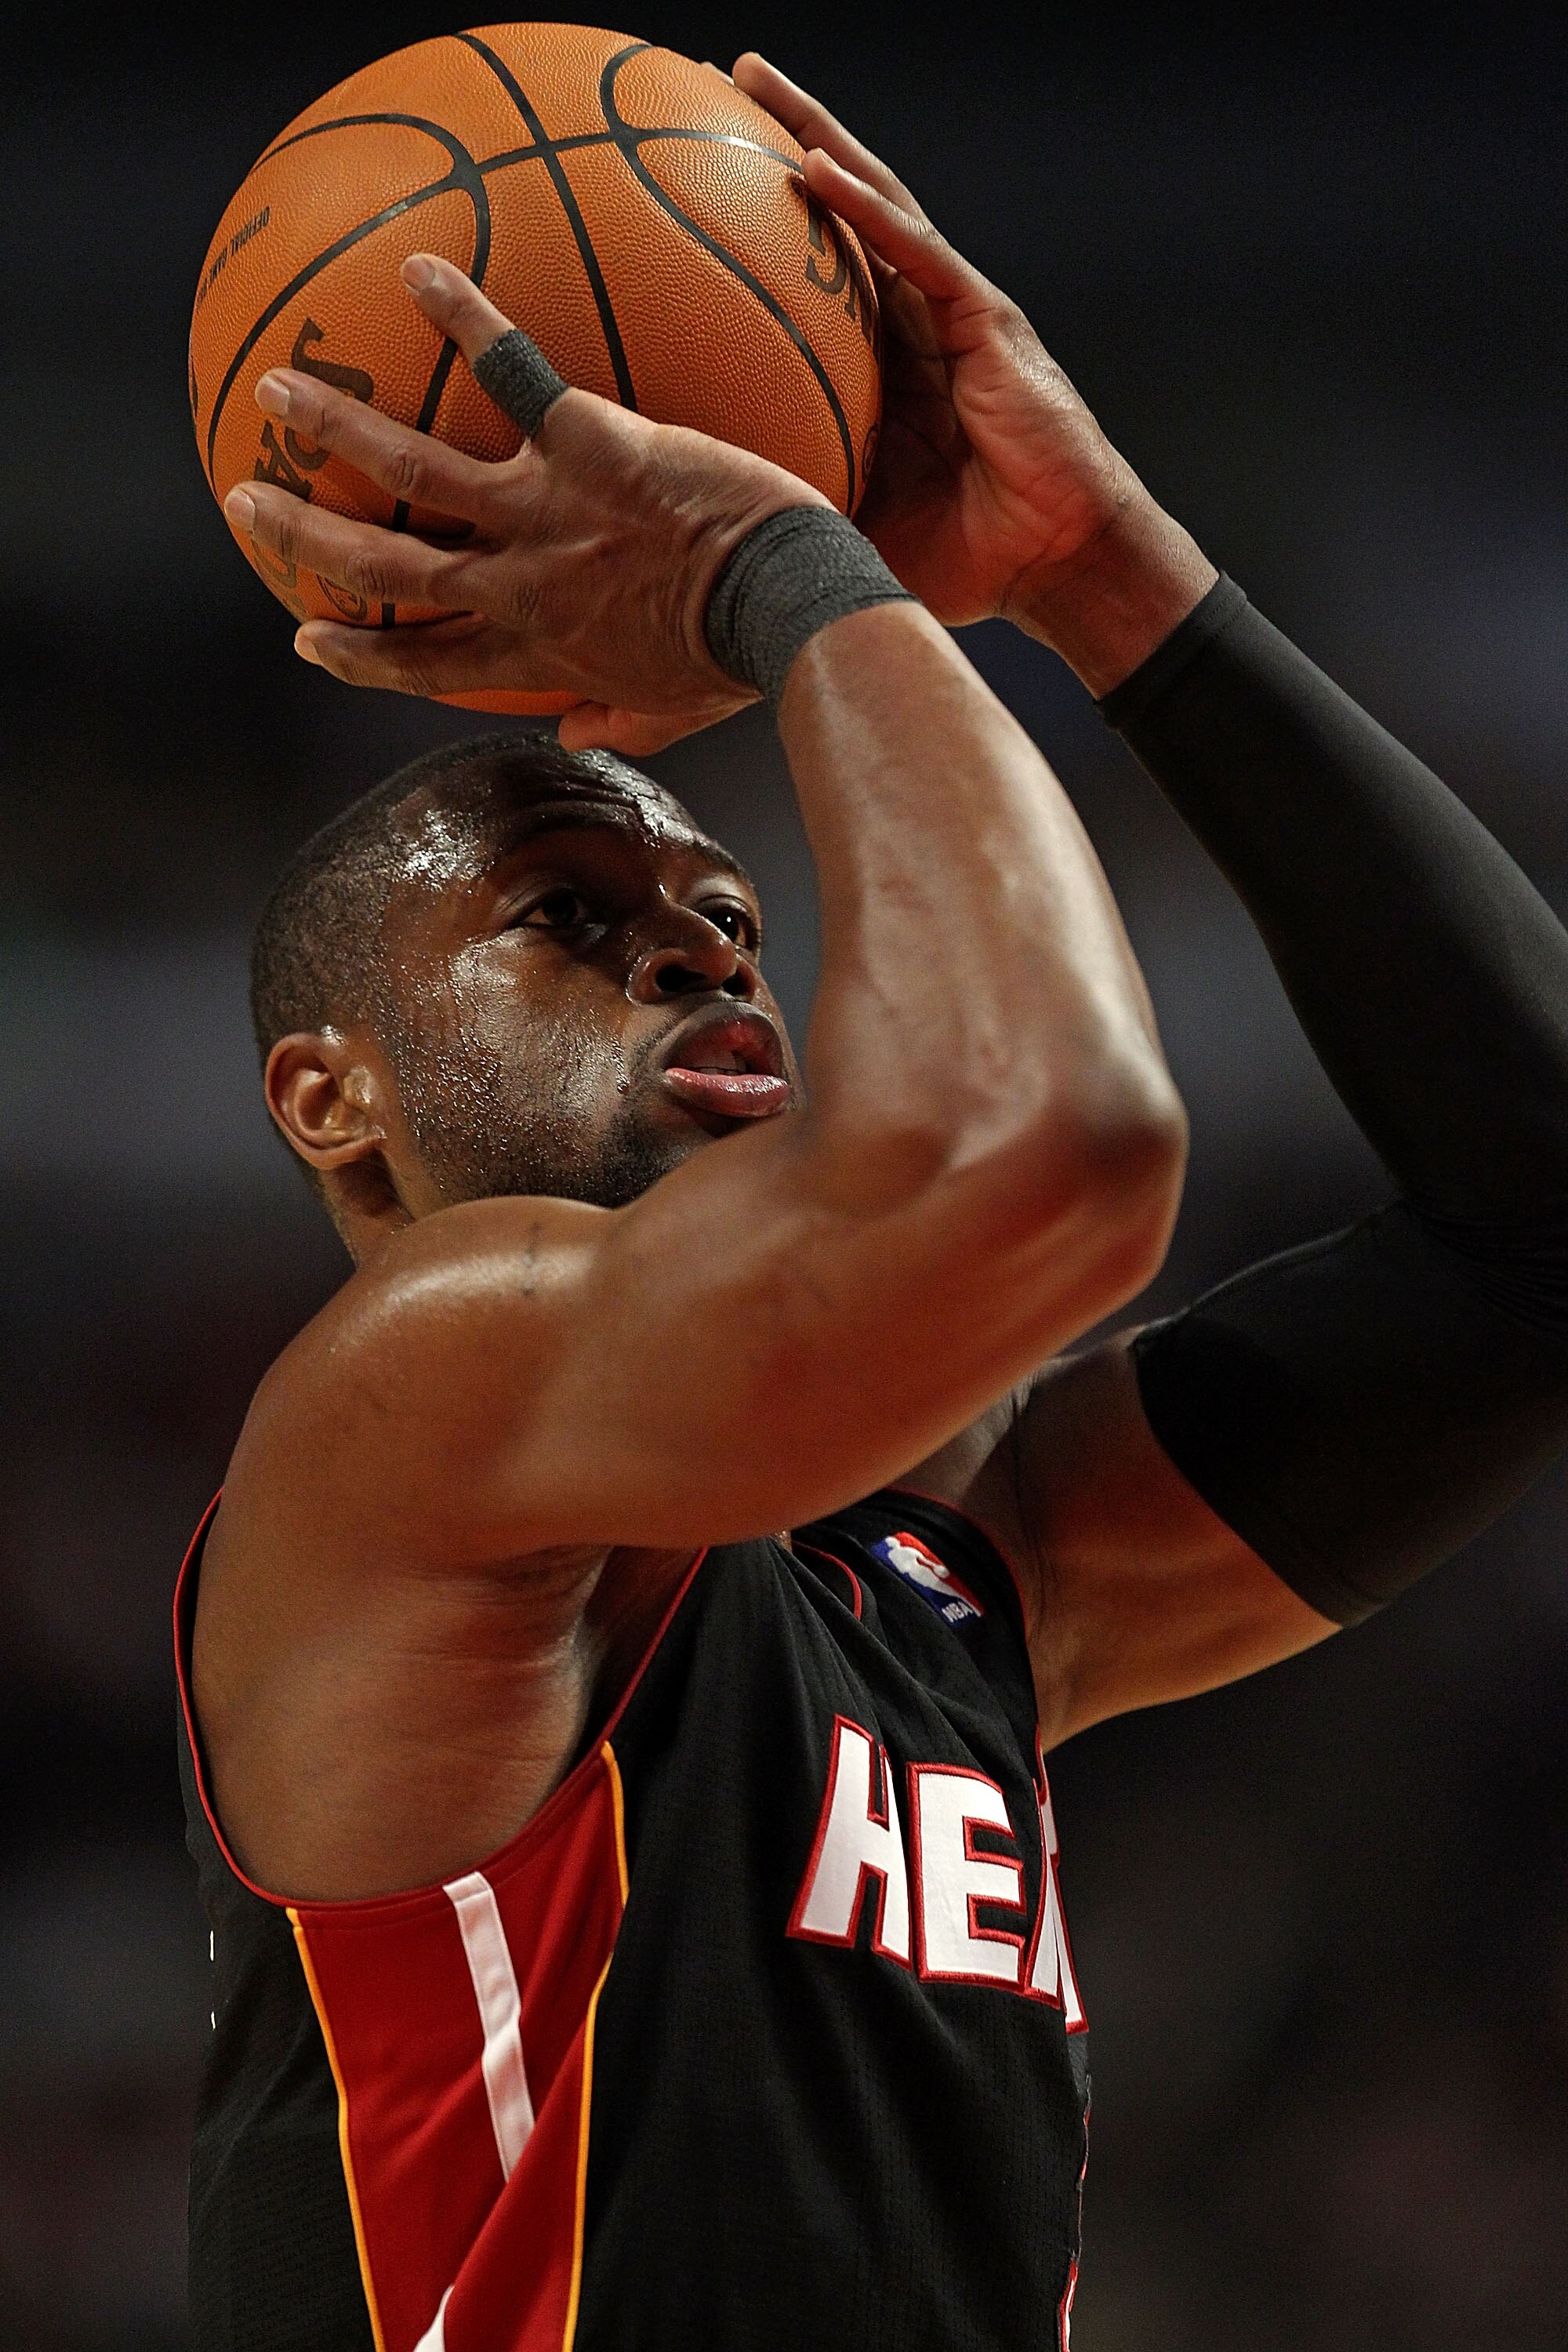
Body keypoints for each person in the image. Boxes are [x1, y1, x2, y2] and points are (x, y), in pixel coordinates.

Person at [180, 52, 1568, 2352]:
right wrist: (781, 577)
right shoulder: (416, 1392)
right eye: (561, 909)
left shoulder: (960, 1573)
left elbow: (1542, 1221)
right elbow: (1056, 1152)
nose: (700, 944)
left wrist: (1106, 574)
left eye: (732, 916)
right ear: (333, 1100)